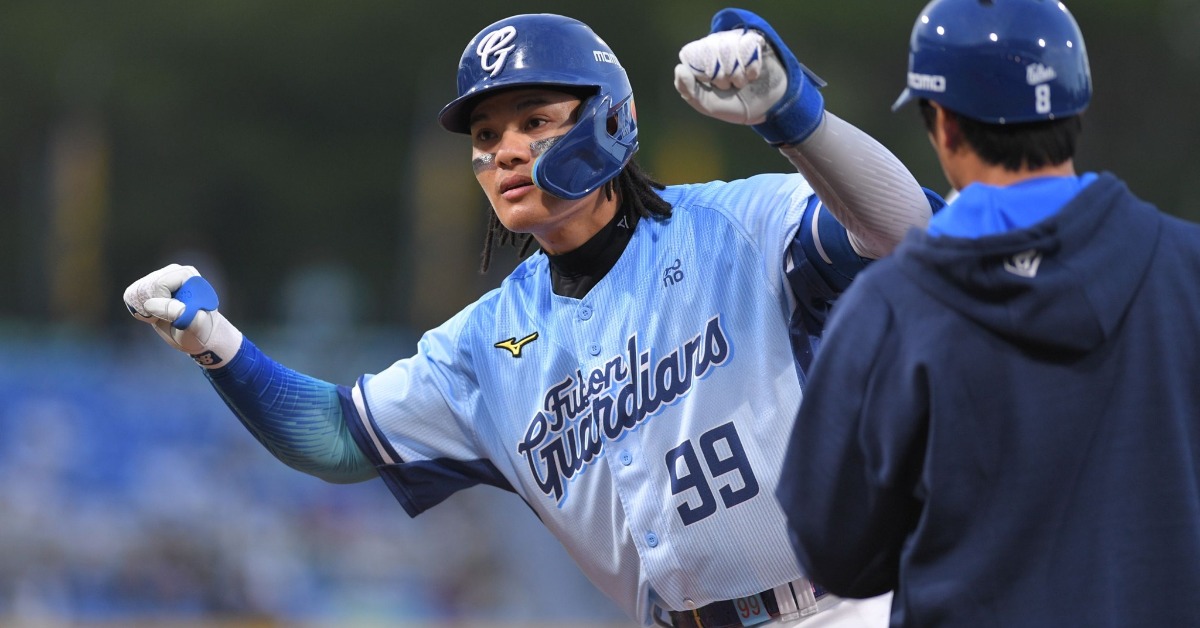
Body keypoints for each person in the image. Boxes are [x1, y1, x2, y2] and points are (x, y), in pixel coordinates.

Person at [124, 9, 942, 628]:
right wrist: (215, 344)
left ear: (611, 119)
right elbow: (338, 439)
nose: (505, 150)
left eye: (535, 121)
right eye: (486, 134)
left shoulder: (741, 223)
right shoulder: (484, 343)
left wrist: (795, 116)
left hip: (847, 605)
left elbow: (906, 231)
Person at [775, 1, 1200, 626]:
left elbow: (833, 551)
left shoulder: (893, 308)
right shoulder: (1186, 265)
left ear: (944, 124)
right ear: (1074, 105)